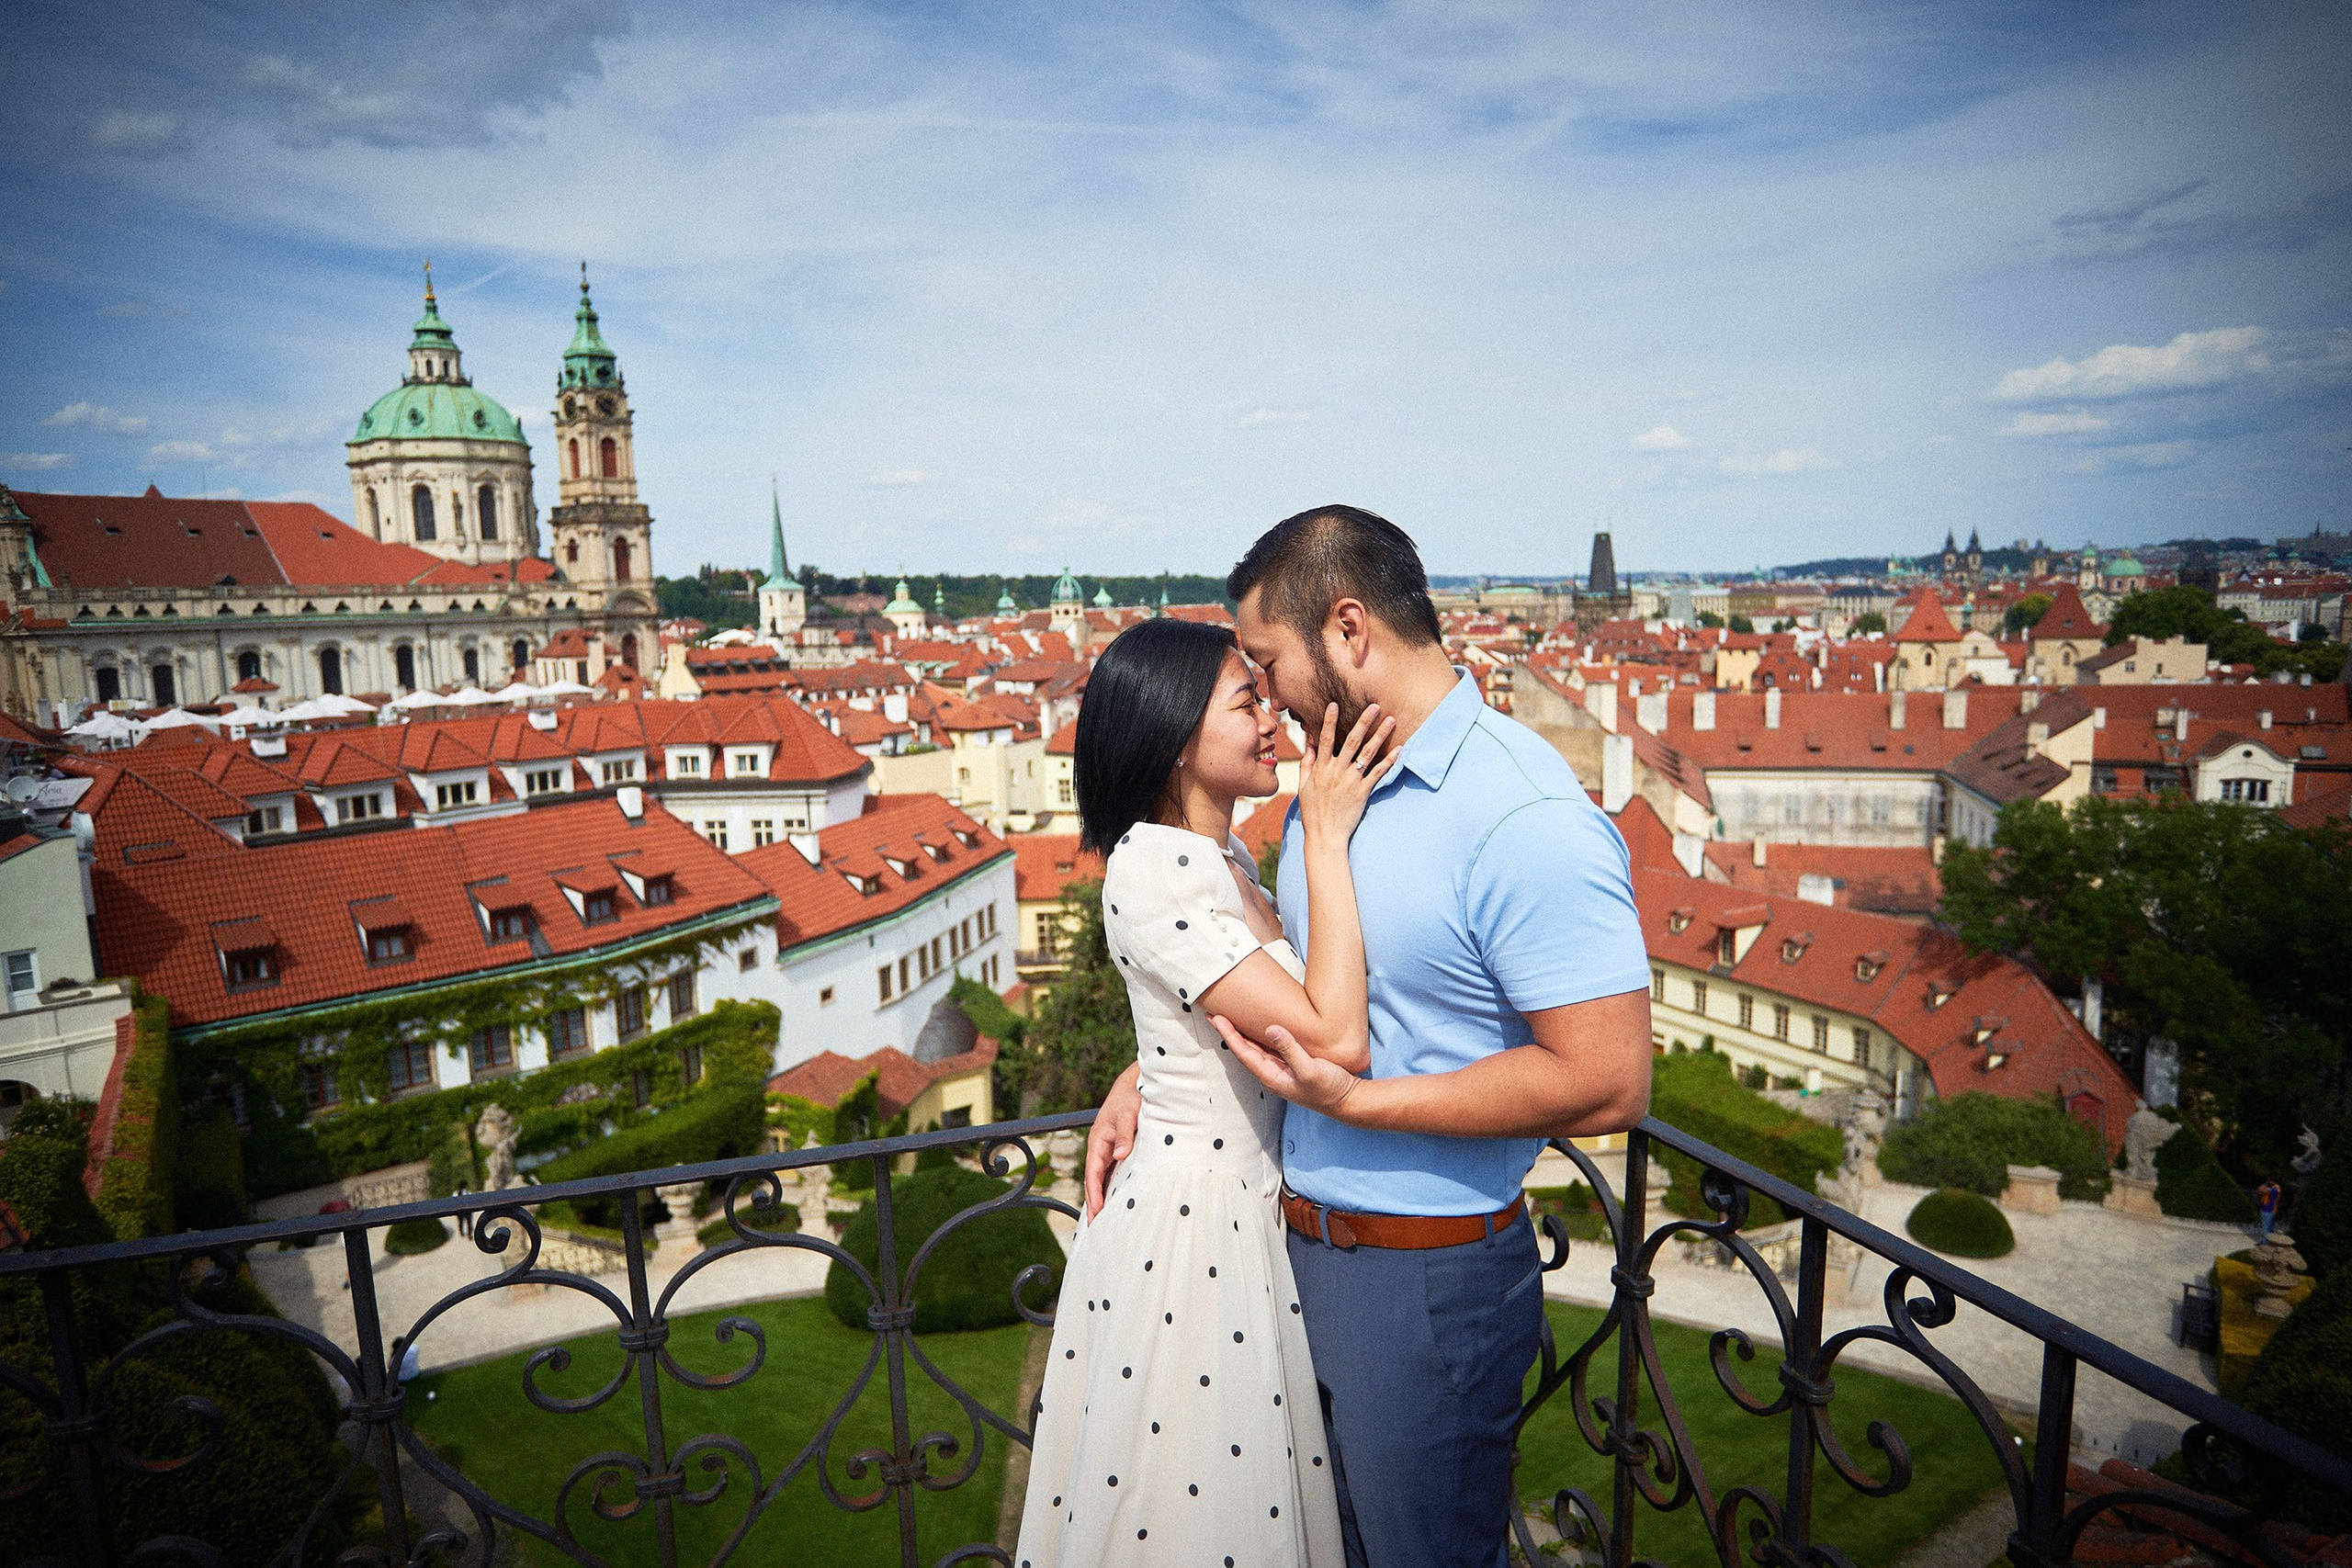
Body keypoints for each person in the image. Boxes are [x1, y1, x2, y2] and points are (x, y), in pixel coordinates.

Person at [1086, 505, 1655, 1568]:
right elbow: (1292, 977)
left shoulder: (1520, 810)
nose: (1270, 701)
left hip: (1421, 1280)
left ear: (1346, 632)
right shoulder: (1331, 784)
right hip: (1285, 1256)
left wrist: (1356, 1103)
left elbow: (1610, 1081)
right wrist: (1159, 1065)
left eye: (1267, 662)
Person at [1016, 614, 1398, 1567]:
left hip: (1242, 1203)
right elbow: (1334, 1037)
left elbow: (1206, 1017)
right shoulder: (1160, 867)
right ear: (1174, 732)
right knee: (1194, 1505)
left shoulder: (1222, 858)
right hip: (1196, 1233)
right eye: (1247, 702)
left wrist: (1147, 1066)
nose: (1272, 720)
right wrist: (1328, 838)